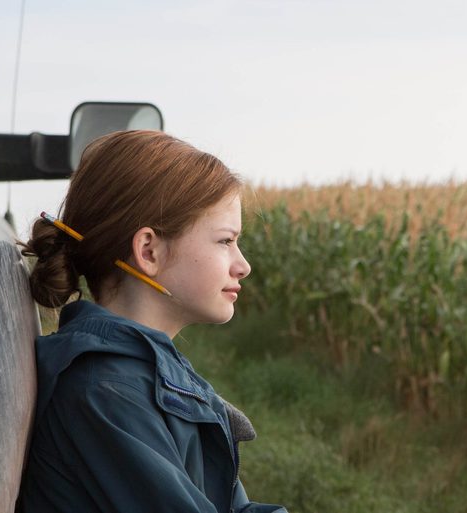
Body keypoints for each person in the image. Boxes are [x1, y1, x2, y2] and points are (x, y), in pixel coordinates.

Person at [16, 130, 284, 513]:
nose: (243, 266)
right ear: (148, 250)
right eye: (225, 241)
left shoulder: (144, 369)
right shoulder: (105, 392)